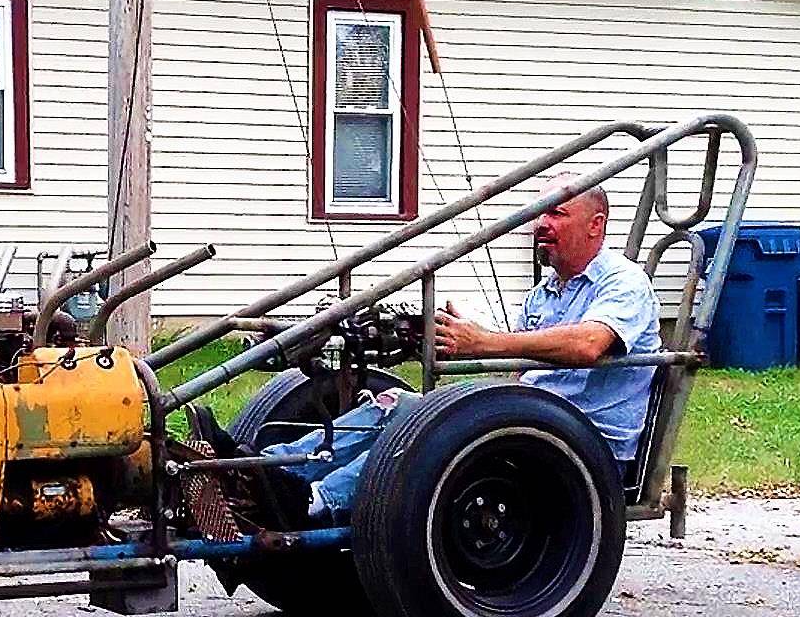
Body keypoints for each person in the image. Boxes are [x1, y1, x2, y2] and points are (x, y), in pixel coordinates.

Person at [189, 175, 662, 526]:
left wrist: (485, 343)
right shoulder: (547, 293)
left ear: (596, 225)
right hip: (534, 421)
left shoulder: (624, 281)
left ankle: (312, 501)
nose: (541, 224)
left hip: (584, 442)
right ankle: (265, 469)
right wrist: (458, 340)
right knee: (398, 406)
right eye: (541, 213)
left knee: (424, 433)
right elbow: (525, 367)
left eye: (556, 213)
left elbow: (589, 344)